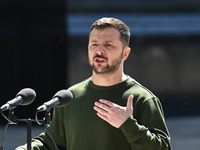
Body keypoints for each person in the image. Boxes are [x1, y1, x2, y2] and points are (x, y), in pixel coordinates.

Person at [16, 17, 171, 150]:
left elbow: (163, 147)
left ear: (125, 53)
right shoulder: (70, 97)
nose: (99, 50)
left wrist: (127, 124)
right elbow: (52, 142)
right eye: (94, 44)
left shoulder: (143, 99)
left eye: (108, 45)